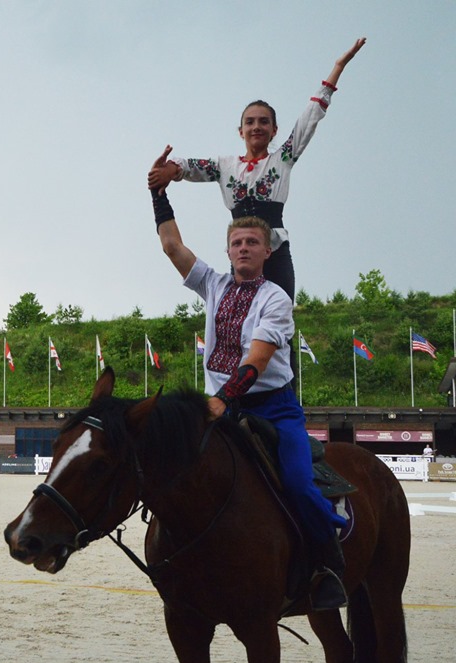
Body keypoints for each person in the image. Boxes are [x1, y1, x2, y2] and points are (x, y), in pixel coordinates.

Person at [149, 147, 348, 610]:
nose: (243, 248)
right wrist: (160, 194)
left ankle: (325, 563)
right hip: (218, 404)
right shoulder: (212, 284)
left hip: (273, 410)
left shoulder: (276, 299)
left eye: (252, 243)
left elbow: (257, 359)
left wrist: (222, 400)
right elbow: (171, 246)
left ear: (267, 251)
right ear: (227, 249)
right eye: (237, 242)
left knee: (298, 483)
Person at [147, 38, 366, 302]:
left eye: (264, 122)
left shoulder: (282, 158)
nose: (256, 127)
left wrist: (338, 67)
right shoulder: (225, 166)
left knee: (281, 311)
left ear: (274, 130)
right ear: (241, 131)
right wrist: (169, 170)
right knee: (242, 313)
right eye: (250, 122)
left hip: (275, 249)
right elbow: (191, 166)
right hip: (242, 252)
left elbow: (311, 116)